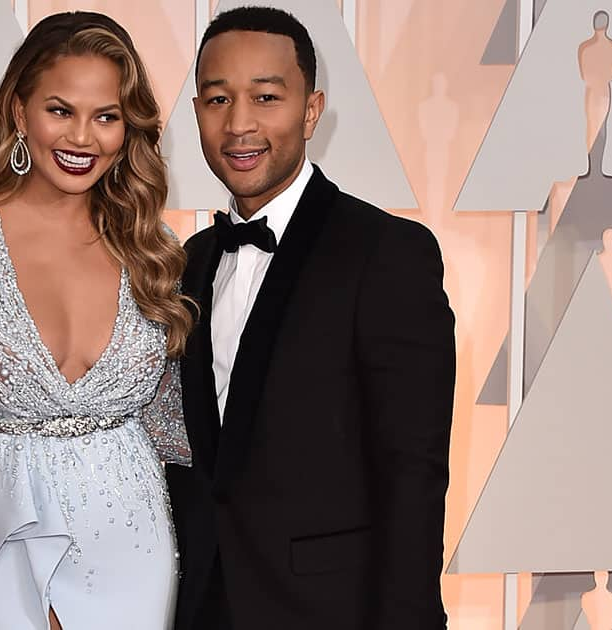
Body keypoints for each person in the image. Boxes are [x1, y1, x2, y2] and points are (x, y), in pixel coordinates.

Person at [166, 7, 456, 630]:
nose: (240, 124)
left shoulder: (386, 253)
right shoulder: (190, 263)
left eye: (266, 97)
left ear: (312, 109)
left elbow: (414, 476)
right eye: (218, 99)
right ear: (196, 113)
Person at [0, 12, 193, 630]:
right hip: (0, 522)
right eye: (61, 110)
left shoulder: (152, 244)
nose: (83, 137)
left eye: (106, 116)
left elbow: (173, 427)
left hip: (130, 531)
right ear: (18, 109)